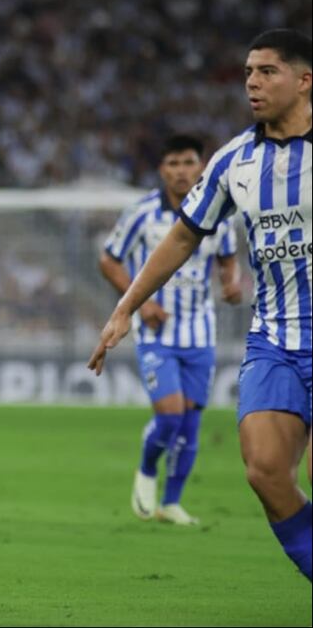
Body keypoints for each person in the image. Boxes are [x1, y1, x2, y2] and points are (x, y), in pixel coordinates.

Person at [90, 29, 311, 581]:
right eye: (248, 72)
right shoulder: (234, 160)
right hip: (276, 340)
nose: (252, 83)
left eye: (267, 71)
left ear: (305, 80)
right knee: (264, 471)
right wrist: (126, 307)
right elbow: (184, 237)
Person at [100, 135, 243, 525]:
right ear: (162, 170)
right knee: (169, 416)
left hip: (200, 332)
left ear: (200, 166)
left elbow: (229, 260)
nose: (181, 171)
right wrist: (141, 302)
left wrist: (232, 281)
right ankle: (147, 470)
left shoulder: (221, 213)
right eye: (173, 163)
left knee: (191, 422)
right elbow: (109, 261)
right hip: (156, 333)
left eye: (188, 162)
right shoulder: (142, 213)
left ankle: (172, 502)